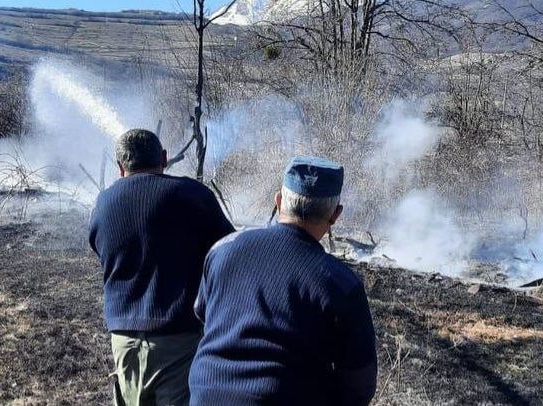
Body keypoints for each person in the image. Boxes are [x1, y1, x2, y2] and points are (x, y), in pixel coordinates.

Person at [189, 156, 377, 405]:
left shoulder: (223, 250)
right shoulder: (340, 284)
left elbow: (203, 317)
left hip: (206, 395)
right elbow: (359, 386)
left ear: (278, 201)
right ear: (335, 215)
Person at [88, 128, 234, 406]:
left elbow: (98, 246)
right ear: (164, 158)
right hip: (179, 340)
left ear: (120, 168)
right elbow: (229, 249)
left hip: (123, 340)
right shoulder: (193, 195)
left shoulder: (103, 204)